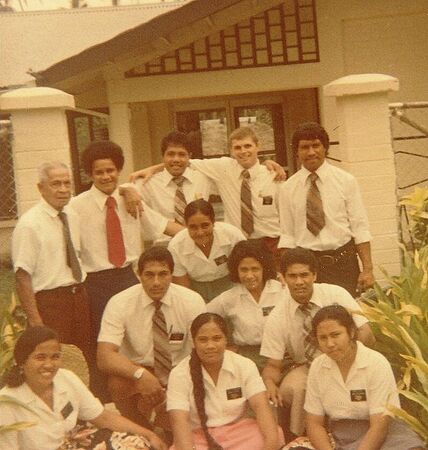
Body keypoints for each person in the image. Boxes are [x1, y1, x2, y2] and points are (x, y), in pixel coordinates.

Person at [69, 140, 182, 401]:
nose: (106, 176)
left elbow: (162, 224)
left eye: (111, 170)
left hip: (129, 278)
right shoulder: (77, 207)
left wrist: (201, 235)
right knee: (102, 342)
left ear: (118, 170)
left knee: (138, 335)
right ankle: (104, 400)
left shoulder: (130, 199)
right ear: (90, 174)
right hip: (96, 284)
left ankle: (146, 392)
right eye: (99, 172)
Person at [261, 248, 375, 440]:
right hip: (309, 367)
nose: (299, 282)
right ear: (283, 278)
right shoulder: (278, 315)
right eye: (292, 276)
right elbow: (273, 365)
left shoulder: (336, 294)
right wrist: (269, 382)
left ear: (315, 275)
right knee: (295, 388)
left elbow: (366, 333)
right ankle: (302, 437)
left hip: (348, 357)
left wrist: (346, 356)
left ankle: (358, 431)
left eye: (304, 275)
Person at [0, 326, 167, 450]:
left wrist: (149, 434)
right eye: (40, 357)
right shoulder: (7, 402)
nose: (49, 365)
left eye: (55, 357)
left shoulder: (66, 378)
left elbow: (103, 417)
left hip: (74, 445)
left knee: (138, 444)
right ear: (22, 362)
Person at [130, 127, 284, 258]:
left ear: (258, 146)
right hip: (235, 244)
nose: (243, 151)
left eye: (248, 146)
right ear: (231, 151)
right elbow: (180, 162)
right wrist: (150, 170)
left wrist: (268, 162)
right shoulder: (223, 169)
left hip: (270, 243)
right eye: (237, 148)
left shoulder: (274, 176)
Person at [97, 246, 206, 429]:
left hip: (181, 370)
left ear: (172, 274)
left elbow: (201, 350)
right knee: (117, 383)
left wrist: (178, 382)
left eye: (163, 274)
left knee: (178, 433)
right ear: (138, 274)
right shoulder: (119, 302)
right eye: (149, 275)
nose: (156, 282)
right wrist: (140, 375)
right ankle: (141, 429)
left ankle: (172, 425)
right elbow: (104, 357)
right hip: (141, 371)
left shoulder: (191, 301)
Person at [304, 305, 425, 450]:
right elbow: (314, 423)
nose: (330, 344)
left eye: (336, 335)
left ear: (352, 332)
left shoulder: (375, 363)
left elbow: (379, 426)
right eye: (323, 338)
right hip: (341, 436)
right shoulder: (318, 367)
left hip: (386, 434)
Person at [278, 122, 374, 297]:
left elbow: (359, 228)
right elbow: (287, 236)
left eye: (316, 145)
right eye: (305, 147)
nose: (311, 152)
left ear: (325, 148)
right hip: (307, 268)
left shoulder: (346, 181)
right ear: (297, 152)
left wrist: (367, 269)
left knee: (347, 317)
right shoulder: (287, 189)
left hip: (343, 264)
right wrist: (287, 273)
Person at [167, 312, 285, 450]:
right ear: (193, 342)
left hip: (240, 435)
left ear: (226, 340)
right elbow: (180, 423)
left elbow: (261, 408)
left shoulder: (244, 365)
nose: (210, 346)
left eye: (217, 338)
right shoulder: (179, 374)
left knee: (273, 434)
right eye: (203, 340)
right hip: (199, 439)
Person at [11, 161, 91, 360]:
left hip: (78, 298)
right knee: (55, 359)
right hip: (51, 304)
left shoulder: (71, 215)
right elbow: (22, 276)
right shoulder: (30, 224)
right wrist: (36, 321)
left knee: (83, 358)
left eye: (67, 183)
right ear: (41, 188)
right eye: (56, 184)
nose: (63, 189)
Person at [207, 239, 284, 369]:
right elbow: (202, 318)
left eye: (255, 269)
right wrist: (225, 346)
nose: (249, 276)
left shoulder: (282, 291)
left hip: (280, 355)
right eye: (244, 270)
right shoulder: (229, 298)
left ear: (264, 268)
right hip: (246, 359)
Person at [132, 130, 214, 245]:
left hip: (199, 242)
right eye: (171, 154)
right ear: (163, 156)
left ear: (189, 156)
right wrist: (128, 191)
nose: (176, 159)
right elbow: (125, 190)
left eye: (181, 154)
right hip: (165, 247)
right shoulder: (149, 183)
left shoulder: (203, 178)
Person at [168, 199, 245, 302]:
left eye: (205, 225)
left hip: (230, 285)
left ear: (213, 222)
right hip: (195, 290)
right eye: (193, 227)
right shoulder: (175, 246)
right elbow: (184, 290)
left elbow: (245, 271)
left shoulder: (232, 235)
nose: (200, 233)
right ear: (186, 225)